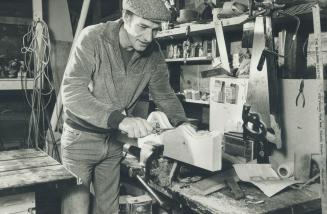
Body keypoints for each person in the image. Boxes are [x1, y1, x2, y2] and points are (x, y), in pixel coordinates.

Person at [60, 0, 189, 213]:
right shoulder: (93, 38)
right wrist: (121, 120)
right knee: (76, 210)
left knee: (108, 210)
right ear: (126, 17)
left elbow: (164, 94)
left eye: (155, 29)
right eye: (143, 27)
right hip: (80, 140)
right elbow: (72, 92)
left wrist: (182, 124)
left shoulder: (154, 54)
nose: (149, 38)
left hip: (113, 142)